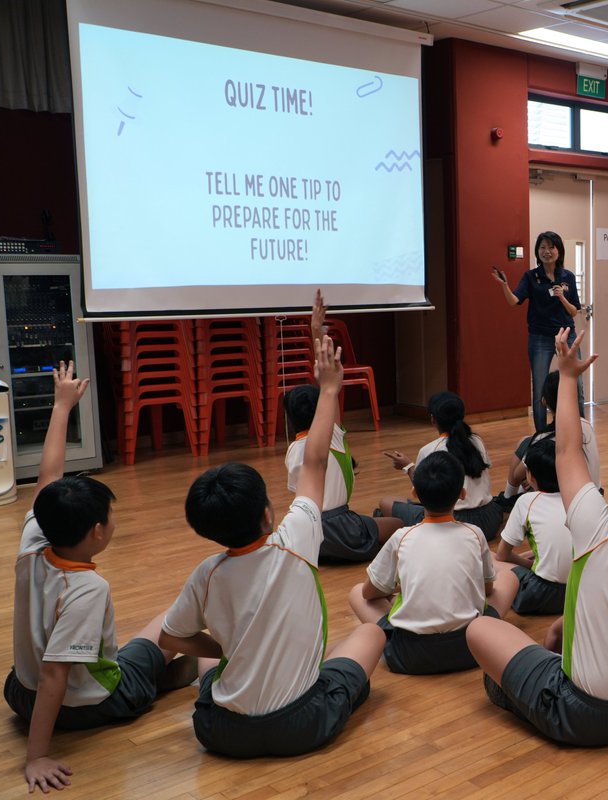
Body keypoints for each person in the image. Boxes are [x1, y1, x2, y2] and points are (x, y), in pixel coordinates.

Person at [159, 335, 385, 759]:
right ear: (268, 514)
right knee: (371, 635)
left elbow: (172, 635)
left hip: (220, 731)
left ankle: (223, 668)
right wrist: (331, 388)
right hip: (301, 725)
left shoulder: (205, 573)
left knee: (217, 663)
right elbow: (315, 462)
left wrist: (221, 649)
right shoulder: (297, 537)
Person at [466, 328, 608, 747]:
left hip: (586, 714)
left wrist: (566, 377)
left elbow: (567, 450)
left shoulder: (597, 527)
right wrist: (561, 629)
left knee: (480, 632)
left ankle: (518, 697)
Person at [5, 362, 197, 793]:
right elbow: (56, 674)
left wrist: (62, 406)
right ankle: (185, 673)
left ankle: (164, 675)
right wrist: (36, 756)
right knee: (174, 619)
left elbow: (48, 479)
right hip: (87, 703)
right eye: (111, 519)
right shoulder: (88, 589)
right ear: (96, 533)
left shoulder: (35, 540)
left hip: (20, 692)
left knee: (149, 638)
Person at [350, 451, 517, 674]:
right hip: (471, 647)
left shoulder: (402, 537)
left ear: (414, 493)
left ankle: (408, 610)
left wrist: (398, 590)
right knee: (509, 578)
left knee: (356, 592)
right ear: (462, 494)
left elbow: (369, 593)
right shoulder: (475, 534)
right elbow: (487, 589)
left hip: (408, 656)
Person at [283, 292, 394, 562]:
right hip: (344, 528)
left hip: (311, 535)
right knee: (397, 526)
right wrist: (316, 332)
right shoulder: (332, 434)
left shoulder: (293, 451)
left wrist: (314, 330)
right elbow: (328, 386)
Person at [492, 231, 585, 431]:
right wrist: (504, 286)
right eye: (542, 247)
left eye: (551, 247)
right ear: (537, 252)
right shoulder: (531, 276)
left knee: (576, 386)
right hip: (540, 337)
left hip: (567, 336)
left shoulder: (567, 276)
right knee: (540, 388)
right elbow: (514, 301)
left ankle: (582, 430)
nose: (546, 251)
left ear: (559, 250)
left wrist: (561, 297)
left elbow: (574, 310)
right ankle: (541, 435)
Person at [381, 391, 504, 542]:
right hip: (489, 518)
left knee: (386, 503)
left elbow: (427, 491)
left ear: (433, 419)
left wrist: (408, 466)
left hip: (454, 521)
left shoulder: (430, 450)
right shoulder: (477, 440)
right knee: (405, 503)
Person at [499, 370, 601, 507]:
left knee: (525, 447)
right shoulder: (586, 425)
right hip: (595, 494)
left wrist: (529, 478)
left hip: (568, 503)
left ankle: (507, 498)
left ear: (544, 400)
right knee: (525, 441)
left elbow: (517, 476)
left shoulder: (545, 438)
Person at [495, 438, 572, 615]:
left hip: (540, 594)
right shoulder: (577, 497)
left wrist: (527, 565)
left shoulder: (526, 501)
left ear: (530, 475)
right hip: (580, 590)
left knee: (492, 559)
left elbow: (502, 554)